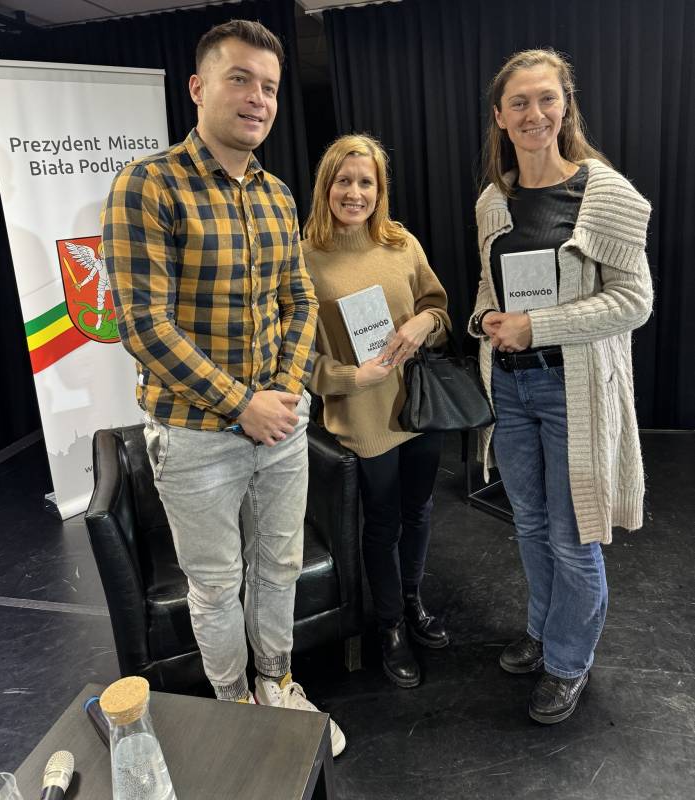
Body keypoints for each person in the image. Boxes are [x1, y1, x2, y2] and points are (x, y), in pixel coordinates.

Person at [101, 20, 346, 756]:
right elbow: (144, 326)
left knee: (278, 568)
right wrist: (243, 404)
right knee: (213, 586)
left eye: (269, 86)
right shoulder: (147, 185)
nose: (258, 98)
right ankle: (235, 702)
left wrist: (284, 392)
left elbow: (299, 300)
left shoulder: (276, 195)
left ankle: (277, 682)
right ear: (199, 88)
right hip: (195, 437)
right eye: (240, 79)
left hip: (282, 425)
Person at [469, 48, 653, 723]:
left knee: (573, 535)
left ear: (565, 105)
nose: (534, 113)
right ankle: (544, 631)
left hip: (571, 389)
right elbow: (488, 286)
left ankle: (569, 661)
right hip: (510, 389)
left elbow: (633, 301)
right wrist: (484, 320)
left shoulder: (604, 193)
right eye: (518, 102)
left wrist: (536, 326)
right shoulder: (493, 199)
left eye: (546, 98)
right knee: (529, 524)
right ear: (500, 116)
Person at [303, 134, 452, 688]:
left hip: (419, 409)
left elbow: (439, 310)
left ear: (379, 189)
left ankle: (412, 601)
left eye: (366, 182)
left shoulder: (401, 243)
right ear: (327, 186)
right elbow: (297, 358)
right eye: (344, 180)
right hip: (363, 420)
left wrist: (423, 323)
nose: (355, 192)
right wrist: (350, 378)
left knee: (419, 512)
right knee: (383, 523)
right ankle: (388, 626)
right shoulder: (305, 259)